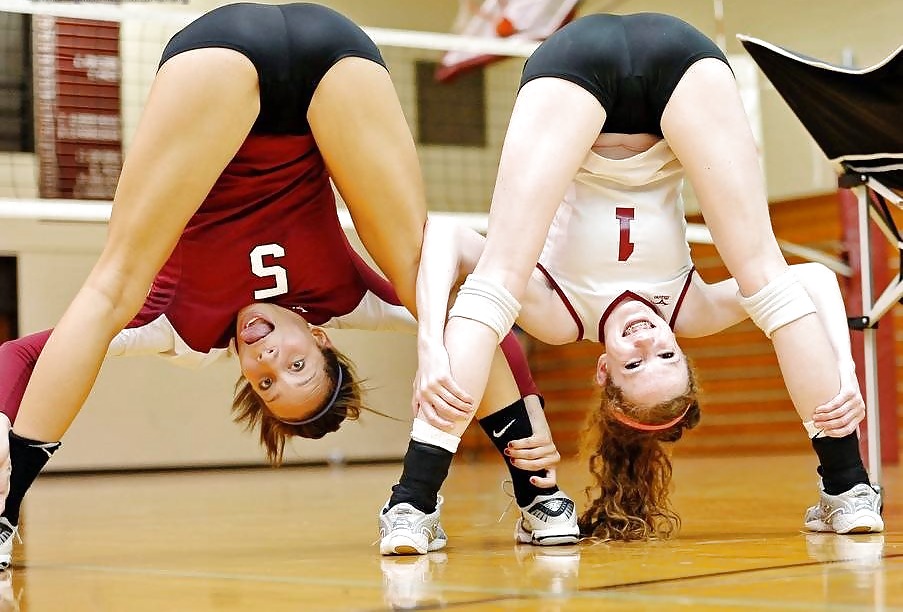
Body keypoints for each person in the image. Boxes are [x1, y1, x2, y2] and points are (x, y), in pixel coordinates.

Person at [0, 2, 575, 568]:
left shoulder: (181, 330)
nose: (271, 357)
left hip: (218, 60)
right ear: (323, 340)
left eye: (268, 381)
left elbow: (19, 355)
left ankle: (2, 511)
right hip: (334, 58)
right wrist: (530, 420)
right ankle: (540, 496)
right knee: (421, 268)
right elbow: (471, 317)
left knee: (111, 289)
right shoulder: (351, 300)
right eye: (297, 366)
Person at [381, 11, 882, 548]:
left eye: (634, 364)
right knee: (767, 277)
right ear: (683, 350)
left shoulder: (559, 316)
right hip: (680, 63)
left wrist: (431, 345)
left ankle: (414, 499)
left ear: (603, 371)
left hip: (573, 67)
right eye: (667, 357)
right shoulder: (692, 309)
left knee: (496, 280)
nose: (647, 341)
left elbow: (451, 236)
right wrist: (843, 370)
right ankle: (848, 488)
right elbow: (811, 281)